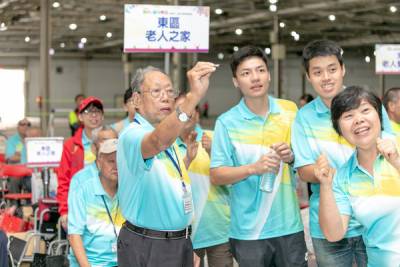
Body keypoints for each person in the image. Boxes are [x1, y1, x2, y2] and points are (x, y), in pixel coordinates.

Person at [291, 40, 392, 266]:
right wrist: (323, 174)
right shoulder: (303, 117)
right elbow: (304, 170)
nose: (326, 77)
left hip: (373, 218)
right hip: (328, 223)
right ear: (308, 77)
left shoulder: (368, 105)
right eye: (317, 72)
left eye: (332, 69)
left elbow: (390, 150)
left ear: (343, 69)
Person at [210, 45, 307, 267]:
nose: (255, 78)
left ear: (269, 74)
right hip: (249, 232)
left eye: (260, 70)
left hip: (289, 226)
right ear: (236, 81)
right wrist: (254, 168)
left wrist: (291, 156)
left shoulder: (289, 110)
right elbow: (216, 175)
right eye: (246, 73)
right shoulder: (226, 122)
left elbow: (303, 159)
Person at [116, 62, 217, 267]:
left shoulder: (172, 141)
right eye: (156, 91)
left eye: (170, 91)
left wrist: (185, 241)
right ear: (136, 99)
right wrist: (193, 97)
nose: (165, 97)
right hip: (149, 245)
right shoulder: (132, 136)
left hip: (177, 242)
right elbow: (156, 141)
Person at [316, 86, 400, 266]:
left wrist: (397, 163)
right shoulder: (344, 176)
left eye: (365, 110)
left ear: (379, 115)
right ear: (339, 130)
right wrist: (325, 186)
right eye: (348, 116)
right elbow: (334, 233)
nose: (358, 120)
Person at [175, 95, 232, 267]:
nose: (185, 113)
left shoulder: (215, 138)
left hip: (219, 230)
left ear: (198, 114)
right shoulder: (166, 146)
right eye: (179, 110)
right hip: (184, 233)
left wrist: (213, 152)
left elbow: (233, 180)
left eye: (190, 108)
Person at [68, 128, 122, 267]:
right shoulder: (82, 190)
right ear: (99, 163)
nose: (116, 166)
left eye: (120, 161)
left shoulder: (127, 190)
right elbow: (74, 236)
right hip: (92, 263)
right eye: (111, 161)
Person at [57, 96, 104, 230]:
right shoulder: (71, 145)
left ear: (102, 116)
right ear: (80, 117)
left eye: (98, 111)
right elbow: (63, 179)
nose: (94, 115)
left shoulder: (112, 141)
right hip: (79, 205)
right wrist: (64, 210)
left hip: (106, 205)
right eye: (88, 112)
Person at [5, 118, 31, 197]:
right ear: (18, 127)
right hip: (17, 172)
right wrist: (21, 143)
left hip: (31, 172)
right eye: (22, 124)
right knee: (14, 181)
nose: (25, 126)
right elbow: (12, 158)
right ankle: (14, 205)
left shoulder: (32, 140)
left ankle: (34, 205)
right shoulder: (12, 140)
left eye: (28, 124)